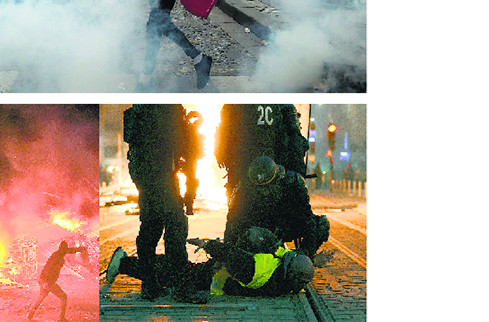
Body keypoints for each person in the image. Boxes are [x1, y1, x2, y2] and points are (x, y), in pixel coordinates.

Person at [121, 104, 200, 301]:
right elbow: (189, 159)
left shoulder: (141, 112)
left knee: (150, 229)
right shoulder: (172, 112)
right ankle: (181, 288)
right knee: (175, 229)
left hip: (145, 179)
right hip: (163, 178)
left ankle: (149, 285)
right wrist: (189, 195)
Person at [104, 226, 313, 300]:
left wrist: (206, 244)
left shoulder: (260, 269)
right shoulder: (285, 279)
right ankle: (126, 262)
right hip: (218, 274)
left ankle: (123, 264)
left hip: (211, 277)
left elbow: (231, 255)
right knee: (174, 269)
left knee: (171, 273)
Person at [223, 155, 330, 259]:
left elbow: (307, 218)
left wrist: (306, 253)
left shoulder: (293, 183)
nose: (264, 192)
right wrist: (228, 252)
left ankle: (303, 257)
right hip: (259, 227)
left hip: (286, 224)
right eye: (260, 189)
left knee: (322, 224)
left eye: (268, 187)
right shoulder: (244, 187)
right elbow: (232, 219)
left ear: (276, 179)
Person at [27, 240, 87, 321]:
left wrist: (79, 249)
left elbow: (69, 250)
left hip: (44, 280)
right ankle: (61, 318)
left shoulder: (58, 253)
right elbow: (48, 268)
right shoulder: (57, 257)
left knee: (41, 297)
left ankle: (30, 315)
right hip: (48, 281)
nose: (65, 251)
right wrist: (46, 282)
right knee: (63, 297)